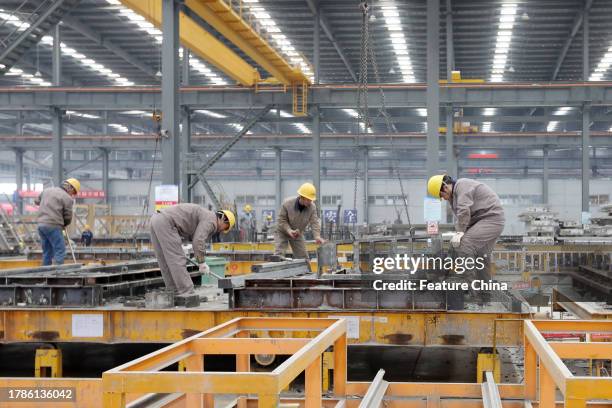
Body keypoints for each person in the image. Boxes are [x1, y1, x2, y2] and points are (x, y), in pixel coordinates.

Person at [427, 175, 505, 283]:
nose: (443, 199)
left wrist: (460, 232)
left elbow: (464, 211)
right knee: (481, 255)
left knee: (465, 244)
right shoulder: (453, 197)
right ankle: (484, 292)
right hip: (481, 221)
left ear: (445, 187)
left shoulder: (462, 185)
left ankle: (470, 286)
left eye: (441, 195)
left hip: (490, 219)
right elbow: (462, 217)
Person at [150, 203, 235, 297]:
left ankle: (173, 293)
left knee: (165, 261)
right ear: (223, 219)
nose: (222, 231)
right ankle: (188, 294)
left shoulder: (205, 215)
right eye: (225, 228)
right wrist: (202, 262)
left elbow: (189, 231)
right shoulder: (212, 220)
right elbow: (198, 240)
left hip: (156, 219)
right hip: (166, 222)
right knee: (176, 259)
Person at [34, 178, 80, 265]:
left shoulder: (46, 191)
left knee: (47, 251)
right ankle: (57, 272)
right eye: (73, 193)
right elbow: (67, 216)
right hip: (53, 225)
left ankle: (45, 272)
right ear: (71, 188)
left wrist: (47, 203)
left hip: (41, 225)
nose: (72, 195)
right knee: (60, 250)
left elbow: (36, 201)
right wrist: (65, 224)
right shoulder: (67, 198)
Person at [275, 182, 326, 260]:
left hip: (297, 233)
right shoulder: (287, 204)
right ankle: (275, 270)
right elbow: (282, 220)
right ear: (302, 197)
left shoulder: (312, 207)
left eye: (311, 199)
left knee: (303, 258)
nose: (310, 202)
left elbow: (314, 222)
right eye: (308, 199)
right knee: (279, 255)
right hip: (282, 231)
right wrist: (289, 230)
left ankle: (307, 272)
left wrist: (317, 236)